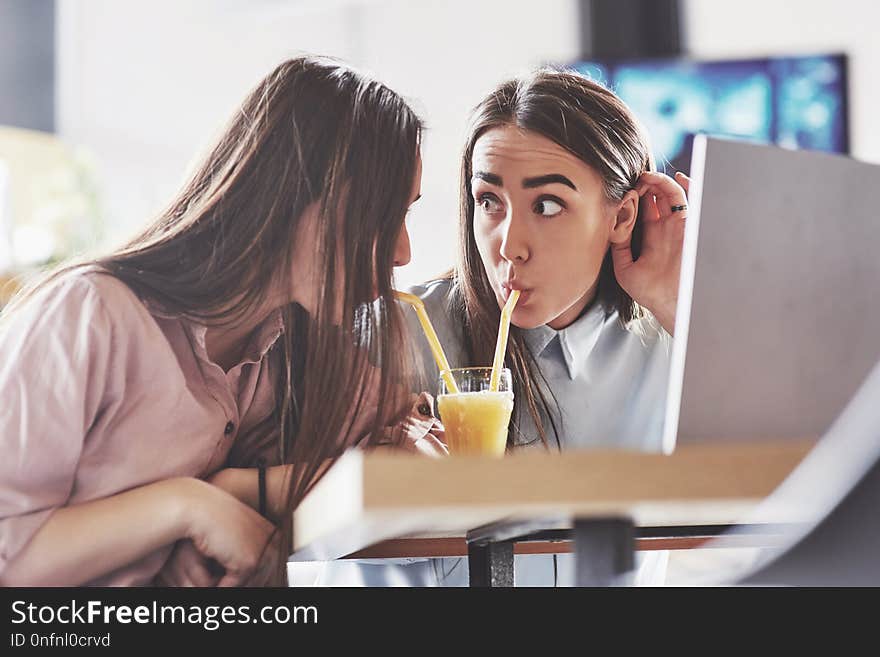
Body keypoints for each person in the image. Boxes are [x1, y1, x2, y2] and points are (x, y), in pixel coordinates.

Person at [0, 56, 445, 587]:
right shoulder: (87, 316)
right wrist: (187, 506)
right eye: (383, 213)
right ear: (293, 193)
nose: (402, 252)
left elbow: (416, 446)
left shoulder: (284, 341)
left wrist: (241, 488)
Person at [405, 67, 690, 585]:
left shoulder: (671, 345)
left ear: (622, 217)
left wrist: (677, 306)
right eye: (489, 201)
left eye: (548, 205)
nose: (510, 245)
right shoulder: (404, 335)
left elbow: (816, 473)